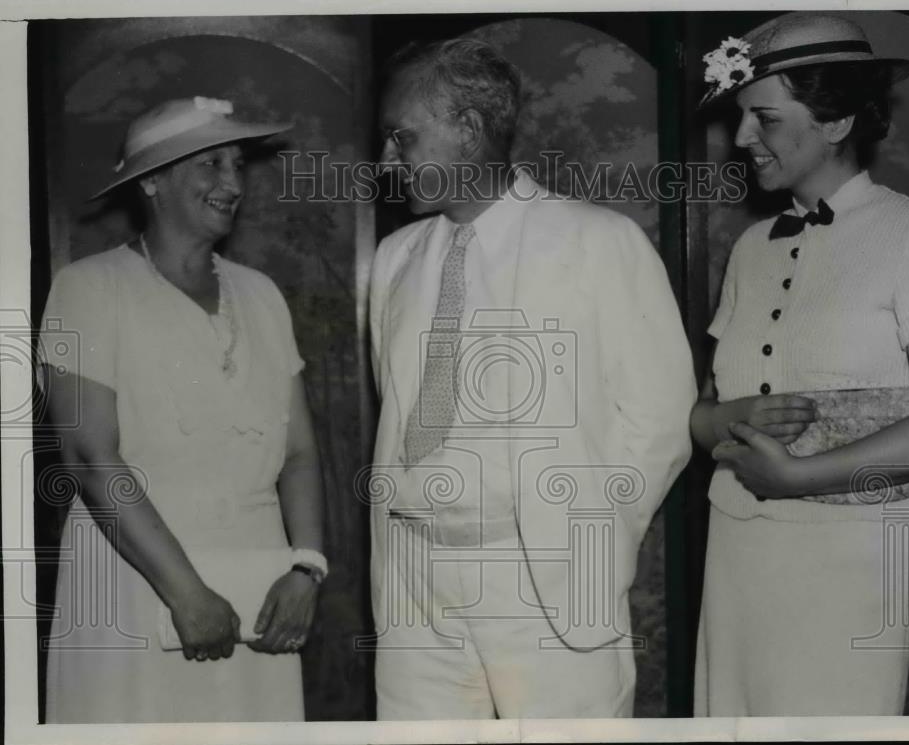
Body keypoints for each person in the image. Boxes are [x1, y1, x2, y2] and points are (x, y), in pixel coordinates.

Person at [367, 39, 696, 719]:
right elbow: (395, 412)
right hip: (413, 588)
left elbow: (660, 420)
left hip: (543, 581)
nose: (386, 160)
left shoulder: (597, 241)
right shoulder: (393, 259)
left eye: (403, 136)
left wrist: (585, 543)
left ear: (469, 126)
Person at [690, 13, 909, 716]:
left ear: (836, 121)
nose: (741, 139)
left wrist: (799, 475)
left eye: (764, 117)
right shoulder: (754, 247)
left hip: (853, 560)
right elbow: (702, 415)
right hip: (737, 546)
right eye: (740, 118)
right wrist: (728, 419)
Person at [39, 96, 327, 722]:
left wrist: (306, 568)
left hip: (260, 589)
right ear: (151, 181)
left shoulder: (261, 294)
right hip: (136, 581)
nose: (232, 182)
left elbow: (300, 455)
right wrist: (186, 593)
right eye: (210, 163)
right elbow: (90, 458)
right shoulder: (88, 288)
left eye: (237, 162)